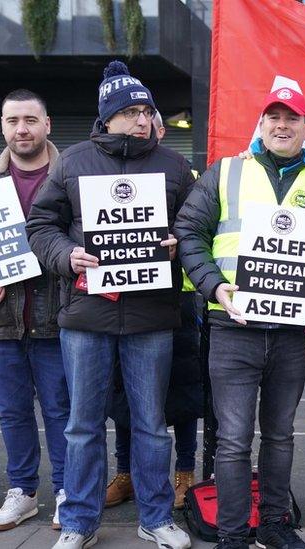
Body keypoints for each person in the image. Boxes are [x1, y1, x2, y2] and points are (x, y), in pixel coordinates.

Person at [26, 61, 194, 549]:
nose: (143, 120)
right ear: (108, 117)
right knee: (82, 425)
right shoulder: (72, 162)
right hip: (86, 315)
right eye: (131, 112)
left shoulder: (175, 165)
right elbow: (41, 227)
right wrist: (65, 255)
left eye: (147, 111)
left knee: (151, 425)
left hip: (152, 316)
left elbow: (197, 227)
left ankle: (156, 517)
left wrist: (177, 242)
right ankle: (78, 523)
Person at [174, 87, 305, 549]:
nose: (282, 125)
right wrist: (214, 287)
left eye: (293, 118)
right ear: (261, 125)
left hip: (290, 333)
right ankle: (231, 534)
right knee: (234, 440)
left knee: (281, 436)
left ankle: (276, 524)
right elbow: (189, 232)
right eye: (274, 117)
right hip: (233, 327)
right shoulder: (225, 172)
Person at [0, 88, 70, 532]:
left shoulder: (72, 173)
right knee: (11, 411)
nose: (21, 129)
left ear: (48, 124)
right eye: (12, 121)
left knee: (63, 411)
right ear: (2, 126)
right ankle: (22, 492)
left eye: (29, 120)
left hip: (57, 317)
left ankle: (67, 491)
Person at [106, 110, 202, 512]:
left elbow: (198, 230)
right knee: (125, 395)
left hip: (175, 298)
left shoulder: (186, 175)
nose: (148, 129)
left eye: (156, 124)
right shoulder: (113, 176)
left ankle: (184, 474)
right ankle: (125, 473)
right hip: (123, 300)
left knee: (182, 393)